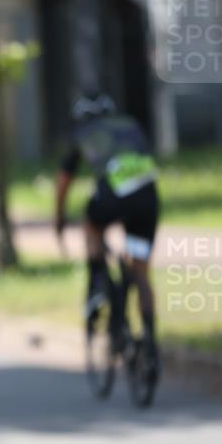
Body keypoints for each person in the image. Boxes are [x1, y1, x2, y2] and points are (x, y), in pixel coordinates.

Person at [54, 91, 161, 374]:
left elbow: (64, 181)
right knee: (140, 270)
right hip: (147, 200)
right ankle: (150, 343)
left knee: (90, 224)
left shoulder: (83, 132)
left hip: (113, 197)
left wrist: (59, 218)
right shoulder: (129, 125)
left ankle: (99, 276)